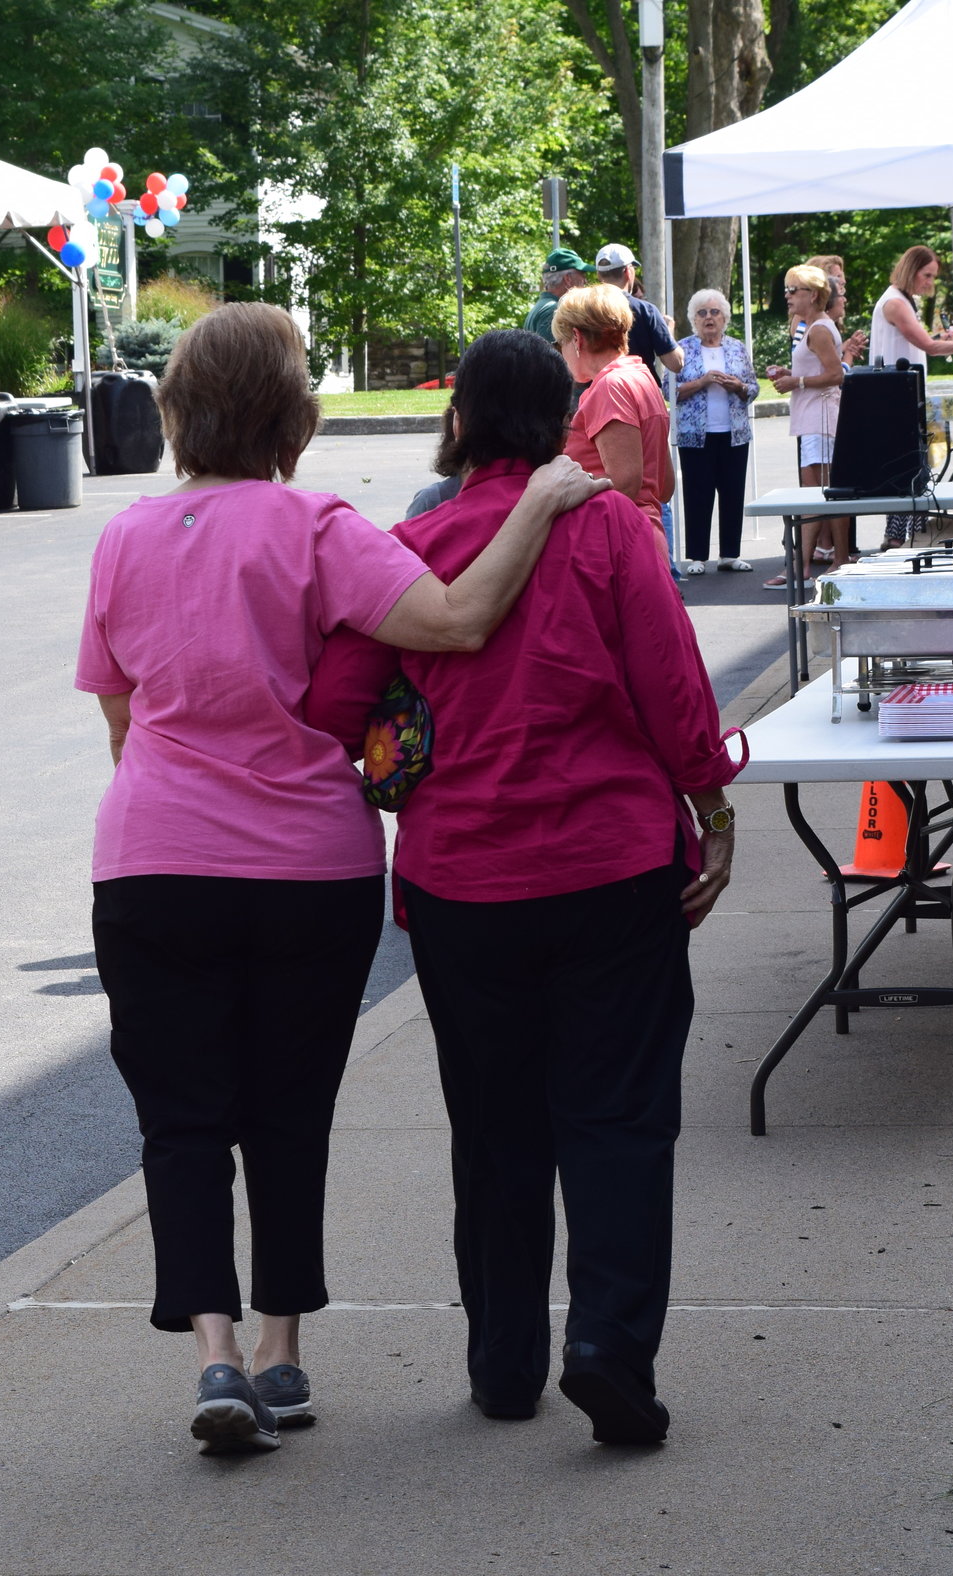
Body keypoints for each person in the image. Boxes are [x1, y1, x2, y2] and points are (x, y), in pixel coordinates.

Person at [76, 303, 607, 1458]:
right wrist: (541, 497)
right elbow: (460, 618)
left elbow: (122, 721)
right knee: (286, 1114)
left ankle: (210, 1348)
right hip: (305, 865)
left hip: (153, 859)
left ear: (177, 408)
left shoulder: (123, 538)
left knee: (180, 1120)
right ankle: (280, 1354)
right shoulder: (316, 525)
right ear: (293, 415)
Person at [306, 328, 741, 1445]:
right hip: (610, 866)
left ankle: (504, 1361)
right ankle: (608, 1347)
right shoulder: (607, 528)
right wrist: (711, 804)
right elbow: (672, 687)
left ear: (457, 423)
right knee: (619, 1117)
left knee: (494, 1126)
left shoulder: (412, 543)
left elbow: (332, 705)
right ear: (561, 421)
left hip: (464, 882)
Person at [869, 245, 953, 547]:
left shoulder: (902, 301)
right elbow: (928, 347)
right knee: (907, 465)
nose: (929, 282)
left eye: (933, 276)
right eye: (927, 275)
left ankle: (902, 533)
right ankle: (896, 537)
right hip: (896, 395)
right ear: (912, 270)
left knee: (914, 464)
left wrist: (937, 338)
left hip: (901, 392)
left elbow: (919, 342)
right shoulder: (896, 303)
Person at [554, 285, 676, 563]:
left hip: (615, 542)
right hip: (643, 537)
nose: (561, 352)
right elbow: (664, 485)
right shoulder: (641, 375)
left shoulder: (610, 386)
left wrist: (556, 484)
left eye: (559, 342)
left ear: (576, 338)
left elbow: (624, 485)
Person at [765, 265, 859, 585]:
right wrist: (787, 374)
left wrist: (798, 382)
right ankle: (804, 565)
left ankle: (834, 561)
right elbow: (813, 367)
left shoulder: (819, 328)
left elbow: (836, 374)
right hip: (811, 416)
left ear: (814, 295)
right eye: (787, 290)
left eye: (794, 290)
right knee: (813, 494)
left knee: (823, 493)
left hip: (821, 417)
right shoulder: (804, 325)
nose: (787, 296)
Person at [674, 288, 759, 575]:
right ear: (693, 320)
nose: (709, 318)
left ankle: (730, 554)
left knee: (733, 492)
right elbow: (669, 390)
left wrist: (738, 386)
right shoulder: (682, 349)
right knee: (698, 493)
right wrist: (702, 381)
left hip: (734, 433)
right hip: (695, 436)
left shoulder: (736, 348)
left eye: (714, 312)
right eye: (702, 313)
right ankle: (697, 557)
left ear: (724, 318)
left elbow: (753, 387)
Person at [590, 243, 684, 380]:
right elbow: (676, 363)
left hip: (598, 393)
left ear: (599, 275)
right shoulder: (646, 310)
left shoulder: (584, 309)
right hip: (639, 391)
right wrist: (668, 332)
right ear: (629, 272)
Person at [524, 249, 591, 346]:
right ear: (568, 278)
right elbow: (549, 358)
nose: (585, 281)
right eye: (582, 275)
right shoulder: (554, 310)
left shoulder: (543, 305)